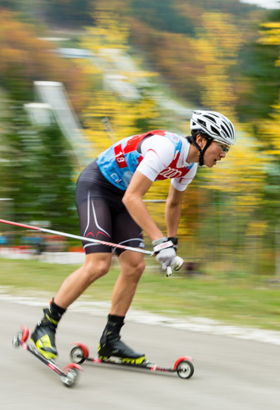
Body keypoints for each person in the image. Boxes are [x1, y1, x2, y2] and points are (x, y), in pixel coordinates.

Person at [30, 110, 236, 363]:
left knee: (135, 265)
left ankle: (110, 341)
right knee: (99, 265)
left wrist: (171, 242)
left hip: (123, 196)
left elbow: (173, 204)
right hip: (97, 187)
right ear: (202, 140)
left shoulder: (190, 166)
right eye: (222, 147)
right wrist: (158, 241)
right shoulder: (165, 148)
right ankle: (45, 326)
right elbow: (132, 198)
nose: (224, 154)